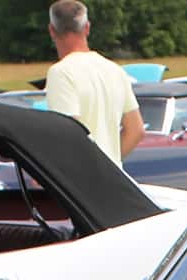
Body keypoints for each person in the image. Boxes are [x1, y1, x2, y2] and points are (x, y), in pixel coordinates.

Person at [45, 0, 142, 165]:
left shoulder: (60, 73)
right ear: (87, 28)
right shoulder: (115, 70)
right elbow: (136, 130)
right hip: (112, 176)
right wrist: (109, 164)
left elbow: (68, 135)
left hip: (80, 176)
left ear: (52, 31)